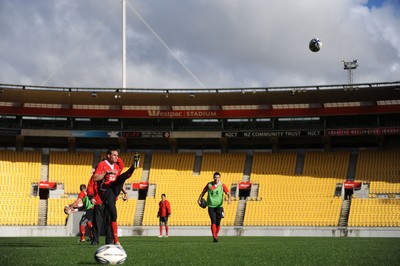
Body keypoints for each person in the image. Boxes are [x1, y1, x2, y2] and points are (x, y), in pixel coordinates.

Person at [92, 149, 140, 245]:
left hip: (113, 191)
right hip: (105, 191)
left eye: (117, 155)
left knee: (122, 177)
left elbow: (119, 182)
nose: (116, 157)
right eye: (114, 155)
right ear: (108, 155)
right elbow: (95, 178)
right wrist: (106, 172)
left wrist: (125, 192)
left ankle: (134, 166)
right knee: (113, 214)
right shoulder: (102, 164)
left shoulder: (116, 167)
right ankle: (115, 240)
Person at [198, 172, 231, 243]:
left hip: (219, 207)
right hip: (211, 206)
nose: (216, 178)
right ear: (213, 178)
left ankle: (216, 235)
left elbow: (228, 193)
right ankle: (214, 236)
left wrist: (229, 199)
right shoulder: (209, 185)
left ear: (219, 178)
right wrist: (199, 199)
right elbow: (203, 192)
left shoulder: (222, 185)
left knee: (218, 223)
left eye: (218, 177)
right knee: (213, 221)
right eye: (215, 177)